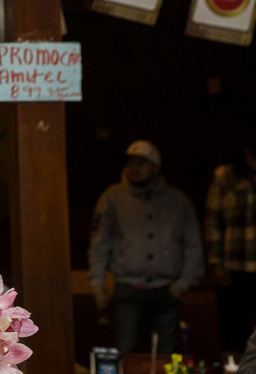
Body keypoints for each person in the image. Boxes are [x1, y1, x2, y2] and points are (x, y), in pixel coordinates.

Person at [88, 140, 204, 357]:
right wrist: (98, 283)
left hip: (167, 289)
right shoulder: (112, 197)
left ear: (156, 168)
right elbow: (99, 242)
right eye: (131, 162)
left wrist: (184, 282)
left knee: (165, 354)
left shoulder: (177, 201)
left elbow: (193, 244)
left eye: (142, 163)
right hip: (127, 288)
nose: (134, 168)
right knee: (126, 350)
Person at [208, 142, 256, 356]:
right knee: (233, 332)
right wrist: (216, 262)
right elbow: (213, 222)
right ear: (246, 153)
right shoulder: (226, 179)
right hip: (235, 268)